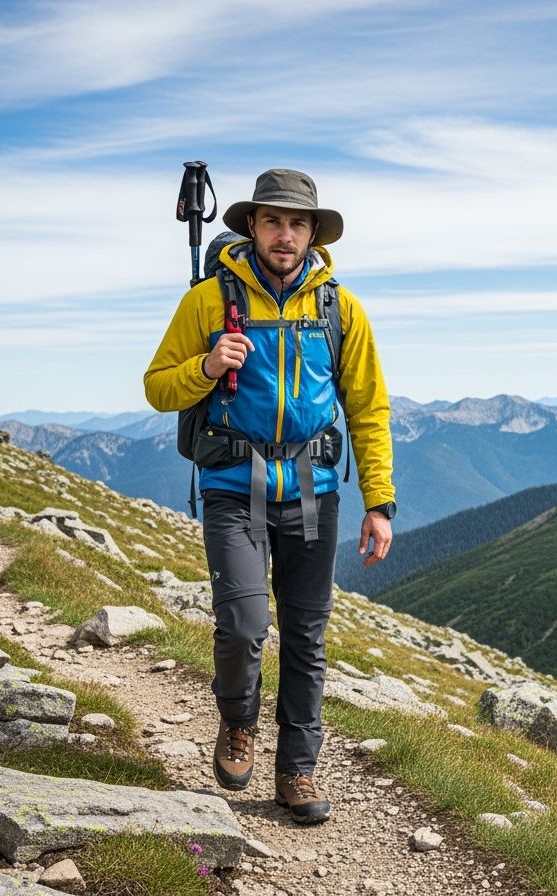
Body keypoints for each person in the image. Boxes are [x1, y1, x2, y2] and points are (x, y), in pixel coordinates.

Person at [144, 168, 396, 824]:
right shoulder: (208, 302)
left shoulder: (338, 308)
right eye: (273, 221)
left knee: (307, 638)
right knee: (245, 624)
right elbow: (157, 387)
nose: (285, 235)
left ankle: (298, 771)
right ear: (252, 226)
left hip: (313, 491)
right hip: (232, 486)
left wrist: (379, 502)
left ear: (314, 232)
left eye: (298, 223)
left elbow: (367, 406)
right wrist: (207, 366)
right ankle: (237, 723)